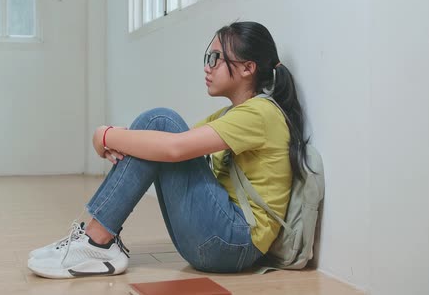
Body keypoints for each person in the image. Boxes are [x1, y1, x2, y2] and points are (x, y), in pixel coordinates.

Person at [27, 21, 310, 279]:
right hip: (223, 242)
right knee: (156, 129)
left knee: (160, 121)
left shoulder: (260, 114)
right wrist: (103, 137)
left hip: (234, 244)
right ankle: (95, 239)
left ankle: (96, 242)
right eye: (206, 58)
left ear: (248, 68)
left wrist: (106, 135)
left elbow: (174, 146)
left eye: (215, 59)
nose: (207, 67)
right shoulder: (234, 114)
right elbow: (158, 144)